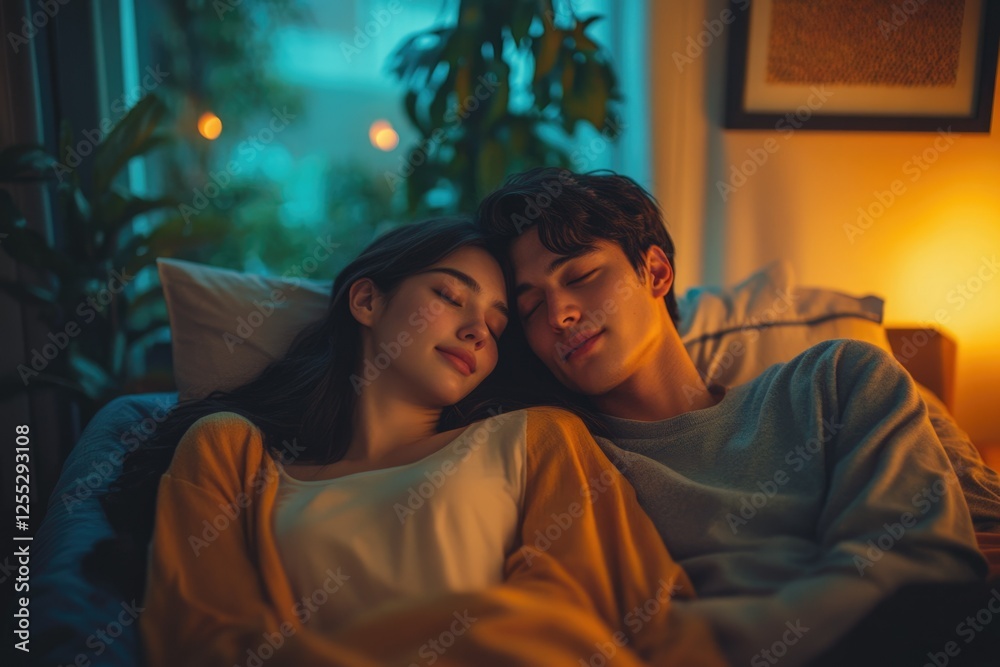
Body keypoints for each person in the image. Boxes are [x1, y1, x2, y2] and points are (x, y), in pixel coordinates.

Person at [100, 217, 725, 666]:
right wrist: (487, 626)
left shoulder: (536, 438)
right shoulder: (229, 453)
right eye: (450, 296)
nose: (478, 330)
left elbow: (646, 621)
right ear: (367, 301)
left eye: (499, 325)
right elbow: (205, 643)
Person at [476, 168, 1000, 667]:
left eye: (582, 275)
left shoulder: (835, 380)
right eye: (530, 309)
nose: (559, 314)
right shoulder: (567, 456)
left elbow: (923, 571)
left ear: (656, 272)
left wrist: (700, 645)